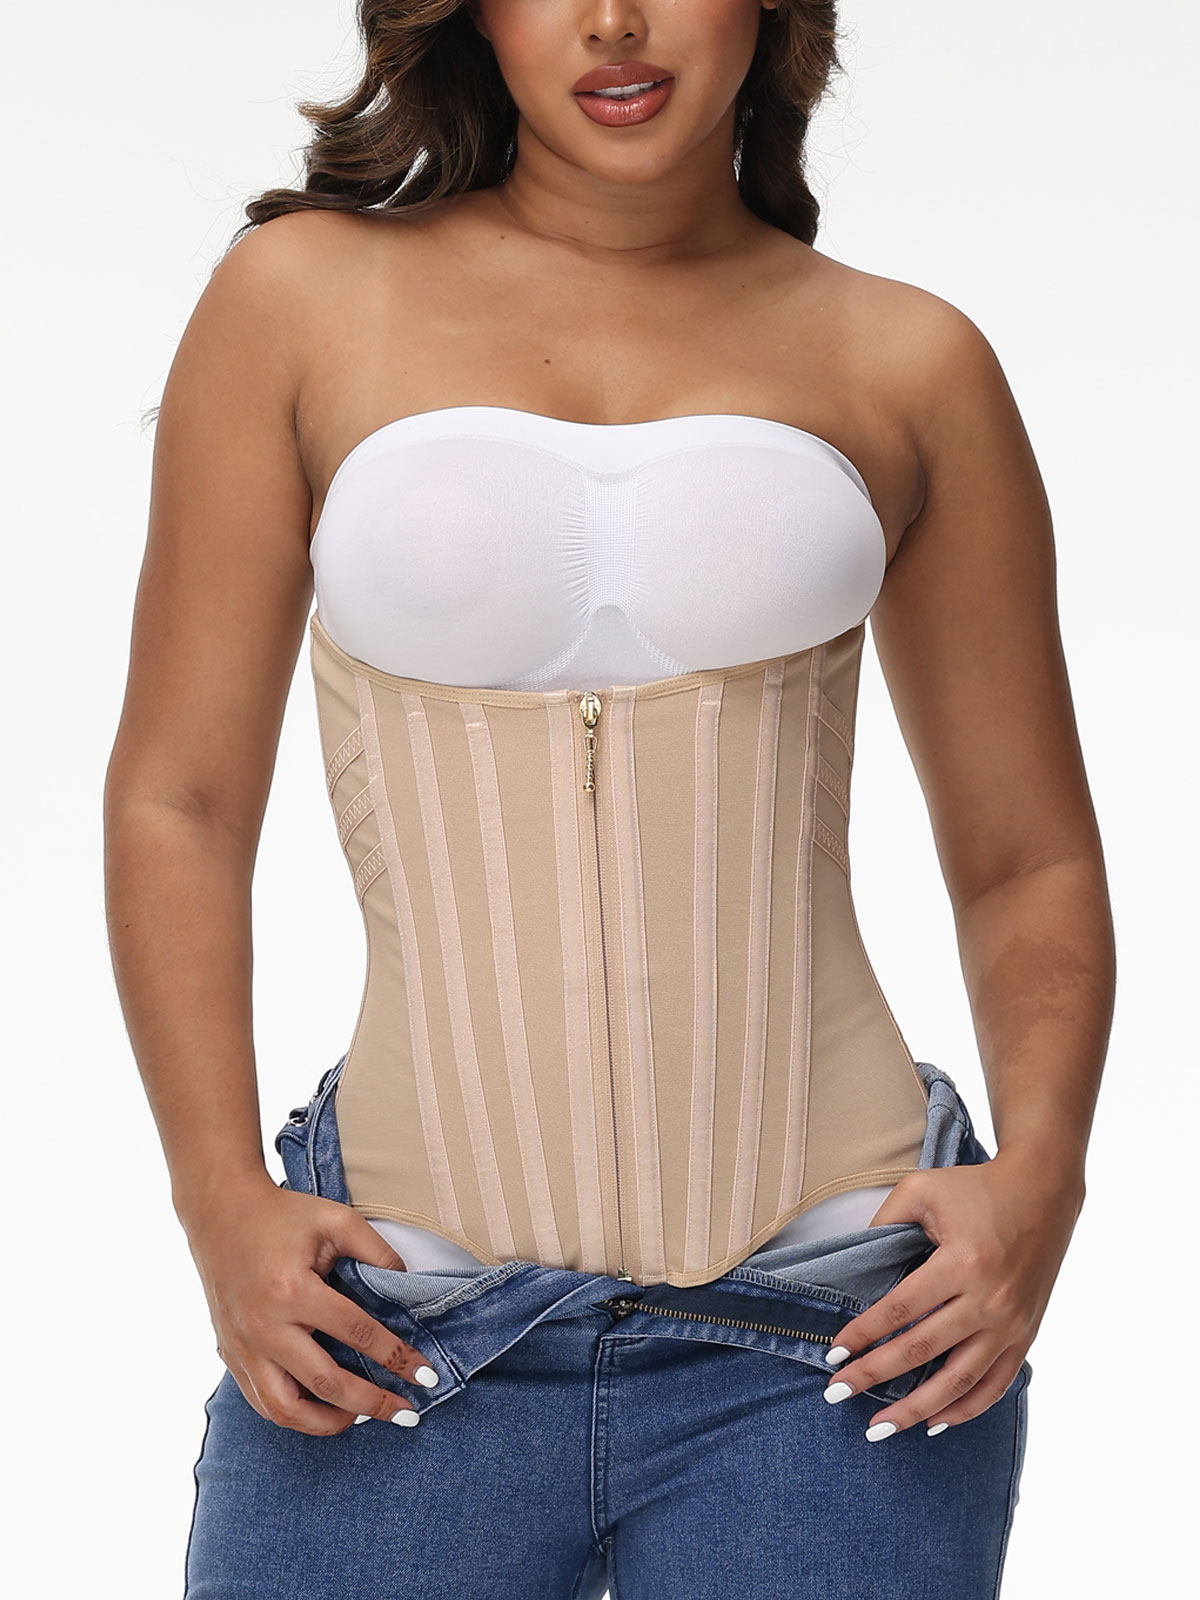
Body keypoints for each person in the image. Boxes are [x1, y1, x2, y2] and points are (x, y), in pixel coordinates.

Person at [103, 2, 1114, 1595]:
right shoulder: (299, 300)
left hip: (839, 1323)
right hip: (393, 1319)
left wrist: (1042, 1177)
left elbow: (1025, 856)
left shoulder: (907, 359)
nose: (614, 21)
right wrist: (218, 1197)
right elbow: (181, 798)